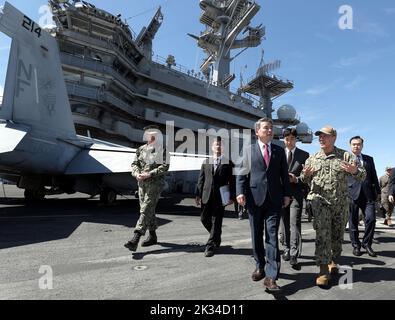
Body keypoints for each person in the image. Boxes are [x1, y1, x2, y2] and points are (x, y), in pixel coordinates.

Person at [300, 125, 366, 287]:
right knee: (322, 235)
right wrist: (305, 175)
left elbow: (362, 176)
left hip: (340, 204)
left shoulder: (345, 156)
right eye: (320, 136)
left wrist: (354, 171)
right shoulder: (312, 158)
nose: (321, 139)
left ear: (334, 138)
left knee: (336, 237)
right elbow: (303, 179)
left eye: (325, 136)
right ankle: (323, 270)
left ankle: (332, 260)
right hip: (319, 202)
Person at [236, 118, 291, 292]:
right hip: (254, 198)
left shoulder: (279, 151)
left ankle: (271, 276)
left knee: (272, 236)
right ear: (257, 132)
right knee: (256, 235)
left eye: (271, 128)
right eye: (266, 128)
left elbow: (284, 175)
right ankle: (260, 265)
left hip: (274, 200)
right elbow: (241, 174)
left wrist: (287, 194)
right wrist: (240, 192)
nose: (269, 131)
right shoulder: (248, 150)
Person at [124, 125, 170, 251]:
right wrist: (136, 173)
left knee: (145, 209)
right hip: (142, 184)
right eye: (149, 133)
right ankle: (153, 236)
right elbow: (134, 164)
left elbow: (165, 166)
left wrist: (150, 174)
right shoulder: (140, 149)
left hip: (155, 183)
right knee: (149, 210)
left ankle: (135, 238)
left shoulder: (162, 150)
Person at [196, 137, 235, 257]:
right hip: (206, 195)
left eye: (220, 145)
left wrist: (232, 197)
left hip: (220, 197)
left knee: (216, 221)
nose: (218, 147)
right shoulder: (206, 162)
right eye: (216, 145)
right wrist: (197, 194)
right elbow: (201, 179)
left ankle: (210, 246)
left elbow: (232, 182)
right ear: (212, 147)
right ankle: (216, 236)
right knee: (204, 219)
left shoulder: (229, 163)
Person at [280, 128, 309, 269]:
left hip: (296, 194)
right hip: (280, 195)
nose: (289, 141)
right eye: (286, 139)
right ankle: (286, 248)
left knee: (294, 223)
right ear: (283, 139)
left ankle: (294, 253)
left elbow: (308, 177)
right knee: (284, 223)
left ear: (296, 139)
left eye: (292, 138)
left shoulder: (305, 155)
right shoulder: (277, 153)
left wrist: (296, 179)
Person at [347, 136, 380, 257]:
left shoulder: (369, 159)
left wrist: (378, 191)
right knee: (353, 222)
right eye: (354, 144)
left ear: (362, 146)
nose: (356, 146)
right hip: (351, 194)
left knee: (371, 219)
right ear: (350, 146)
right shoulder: (345, 159)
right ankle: (356, 246)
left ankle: (367, 244)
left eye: (359, 144)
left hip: (368, 195)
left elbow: (374, 175)